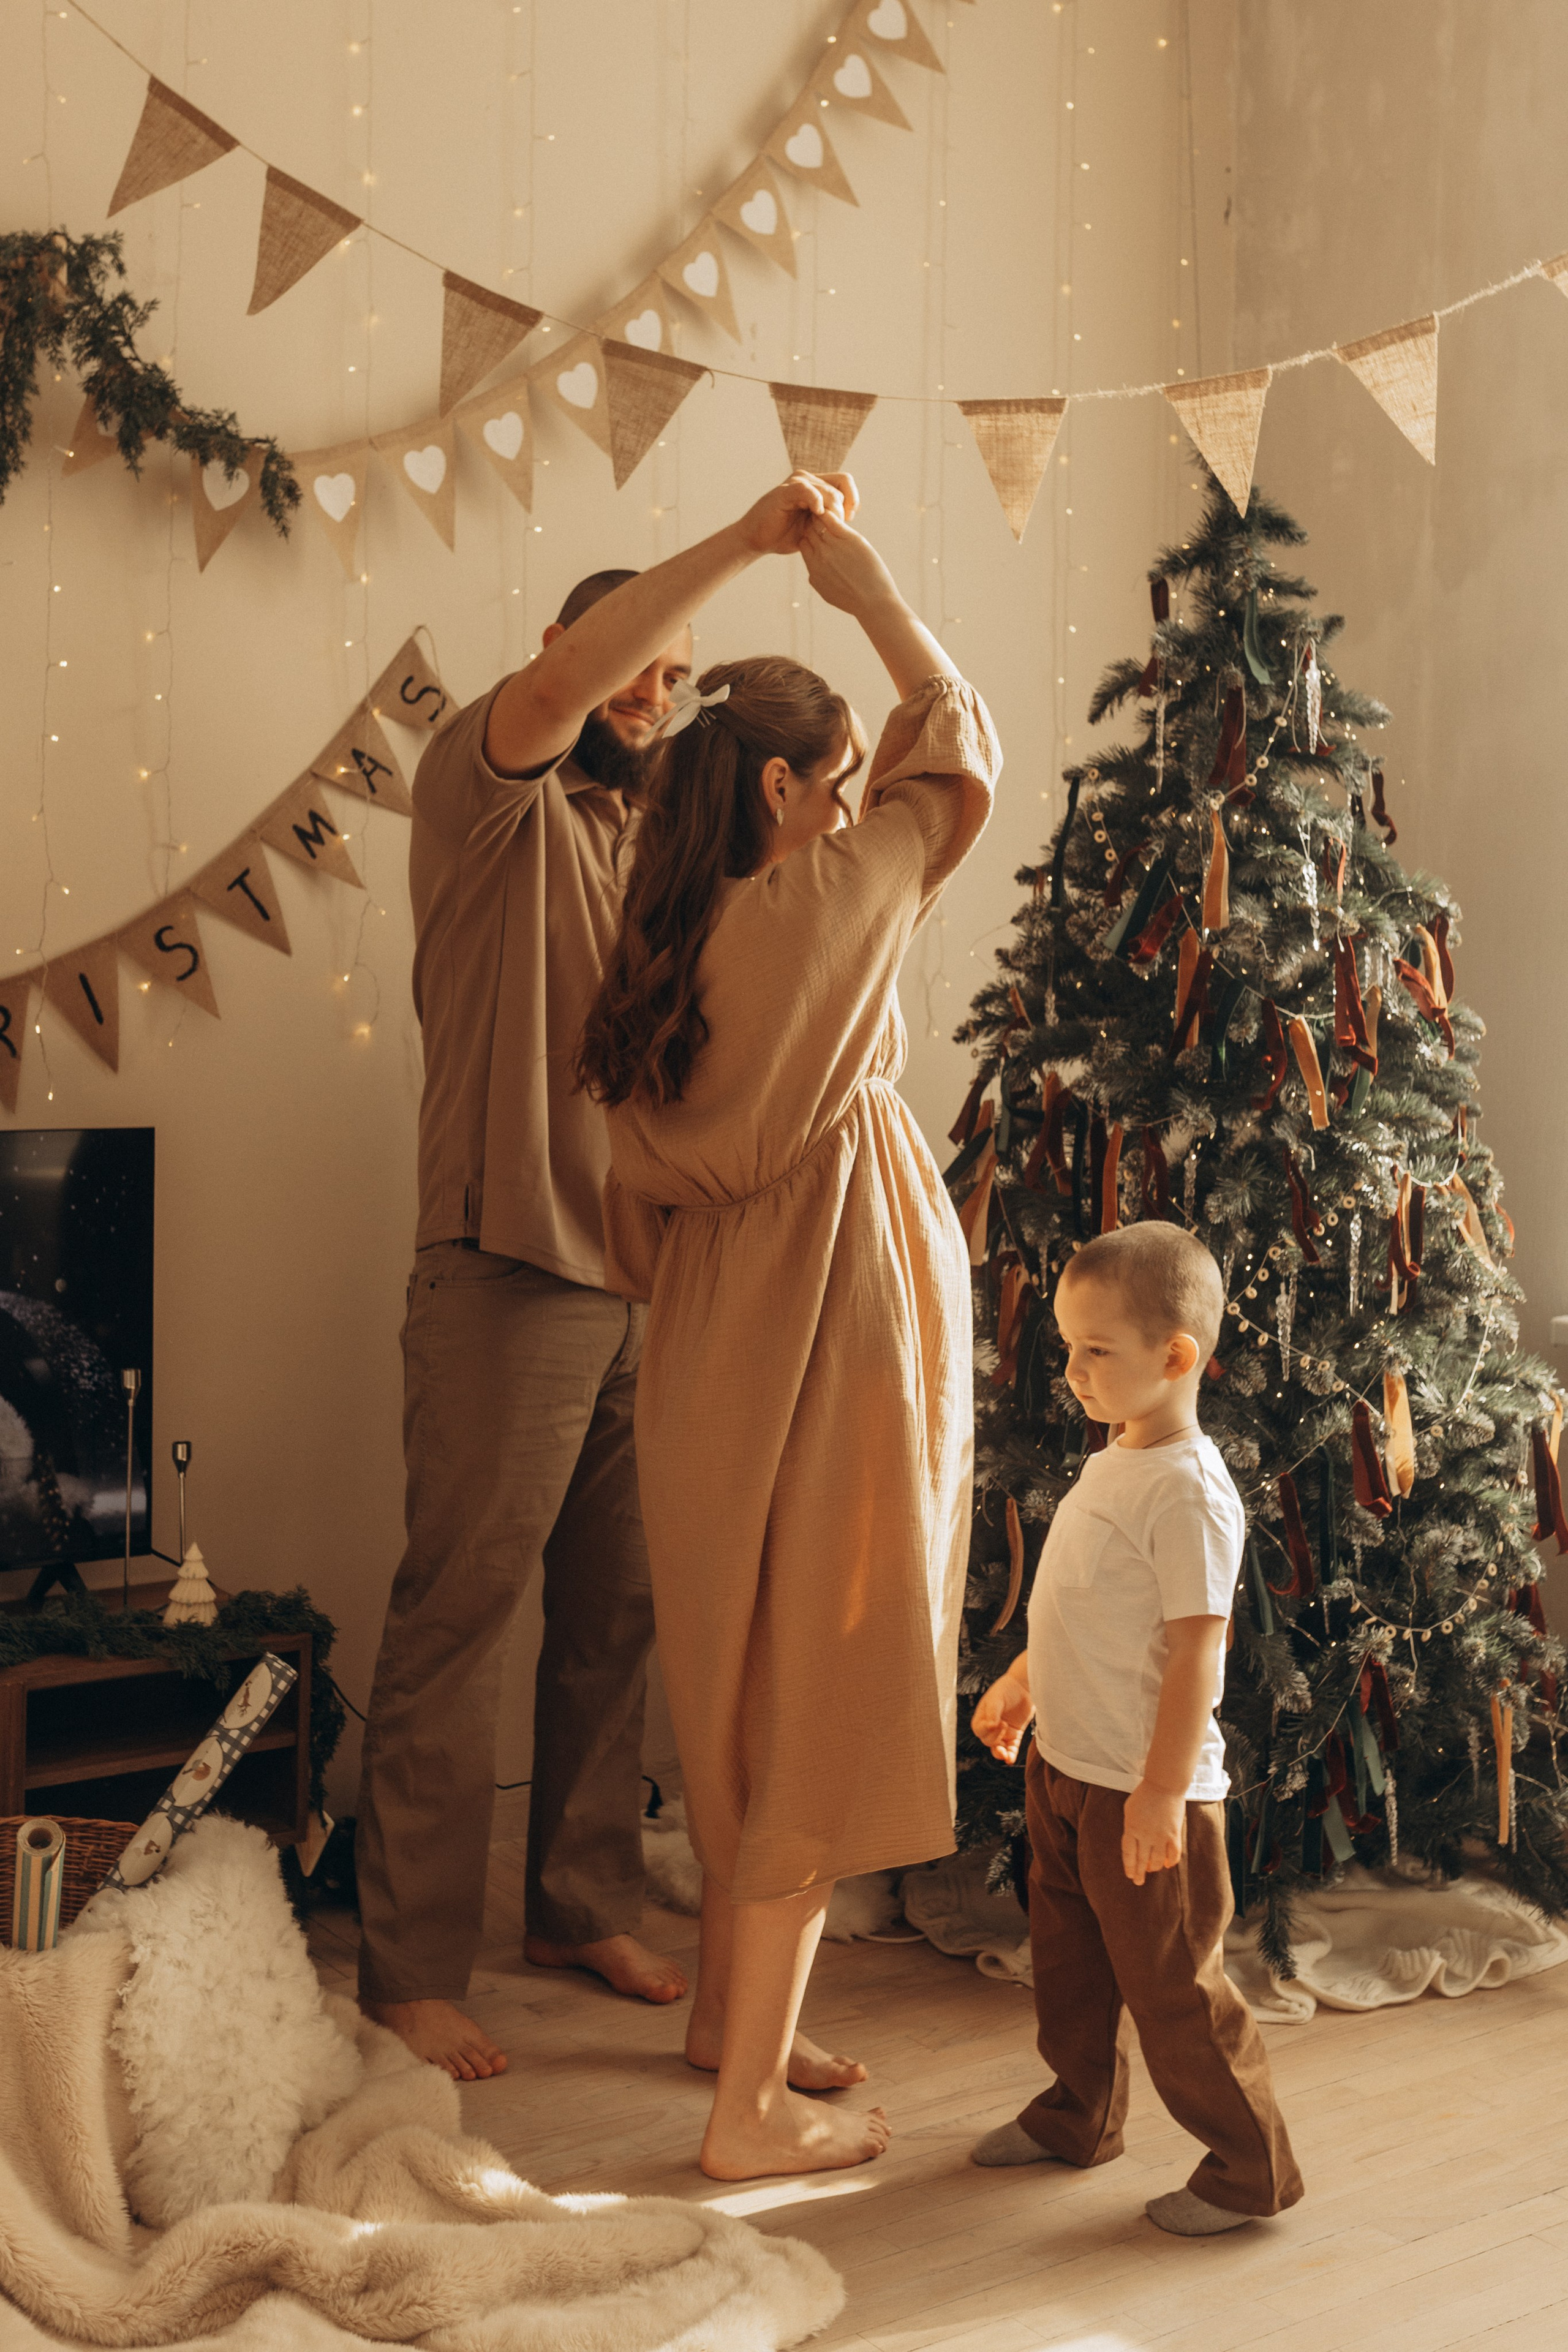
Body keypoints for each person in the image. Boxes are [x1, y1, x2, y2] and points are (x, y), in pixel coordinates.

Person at [355, 473, 850, 2082]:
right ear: (566, 649)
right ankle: (413, 1965)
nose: (654, 687)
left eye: (677, 666)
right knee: (462, 1612)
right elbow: (573, 689)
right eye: (635, 659)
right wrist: (747, 539)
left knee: (618, 1616)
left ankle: (578, 1897)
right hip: (508, 1271)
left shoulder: (657, 845)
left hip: (658, 1279)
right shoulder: (483, 797)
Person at [576, 496, 1002, 2180]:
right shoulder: (823, 907)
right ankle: (745, 2116)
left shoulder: (660, 939)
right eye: (830, 781)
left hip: (702, 1345)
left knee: (736, 1687)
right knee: (822, 1695)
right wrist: (871, 588)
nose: (851, 802)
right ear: (780, 792)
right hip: (829, 1323)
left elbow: (628, 1206)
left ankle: (723, 2029)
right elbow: (959, 753)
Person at [970, 1223, 1304, 2234]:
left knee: (1175, 1995)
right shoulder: (1115, 1459)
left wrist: (1160, 1791)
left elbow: (1196, 1654)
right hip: (1069, 1772)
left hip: (1142, 1794)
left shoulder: (1192, 1492)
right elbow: (1084, 1603)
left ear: (1175, 1358)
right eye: (1067, 1347)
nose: (1072, 1372)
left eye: (1096, 1351)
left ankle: (1251, 2172)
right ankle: (1078, 2116)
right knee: (1068, 1970)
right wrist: (1027, 1680)